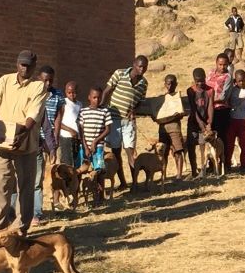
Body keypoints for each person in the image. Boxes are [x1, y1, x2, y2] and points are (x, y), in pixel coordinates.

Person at [0, 50, 48, 233]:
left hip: (26, 145)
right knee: (1, 186)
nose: (24, 68)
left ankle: (20, 229)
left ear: (34, 67)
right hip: (3, 146)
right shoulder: (4, 81)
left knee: (25, 188)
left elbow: (33, 114)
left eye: (28, 65)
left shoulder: (38, 86)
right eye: (22, 64)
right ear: (17, 64)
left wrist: (23, 132)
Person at [103, 56, 148, 190]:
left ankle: (134, 184)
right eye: (140, 66)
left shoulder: (144, 83)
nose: (142, 69)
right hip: (114, 118)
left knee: (130, 152)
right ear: (134, 64)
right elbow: (107, 91)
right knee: (116, 152)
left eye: (144, 67)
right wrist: (101, 108)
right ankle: (122, 182)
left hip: (129, 121)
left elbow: (140, 101)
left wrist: (135, 110)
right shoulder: (119, 73)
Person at [32, 66, 64, 225]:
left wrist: (55, 140)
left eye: (50, 80)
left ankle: (48, 206)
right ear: (39, 78)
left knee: (50, 174)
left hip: (50, 139)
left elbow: (58, 117)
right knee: (32, 178)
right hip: (34, 141)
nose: (48, 83)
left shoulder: (57, 95)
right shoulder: (33, 93)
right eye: (45, 80)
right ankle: (29, 213)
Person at [78, 87, 112, 204]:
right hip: (85, 147)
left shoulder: (105, 111)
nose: (96, 100)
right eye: (94, 97)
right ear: (89, 97)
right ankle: (85, 195)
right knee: (85, 170)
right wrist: (86, 146)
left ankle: (100, 196)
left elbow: (108, 129)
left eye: (98, 97)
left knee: (99, 171)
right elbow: (81, 131)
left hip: (98, 147)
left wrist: (95, 141)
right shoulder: (83, 112)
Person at [154, 75, 184, 180]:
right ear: (164, 84)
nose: (170, 85)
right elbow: (155, 113)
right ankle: (164, 175)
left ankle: (179, 175)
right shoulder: (161, 99)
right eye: (168, 83)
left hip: (174, 127)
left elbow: (181, 113)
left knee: (178, 151)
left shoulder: (178, 98)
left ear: (176, 84)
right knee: (163, 152)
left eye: (172, 83)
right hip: (163, 128)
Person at [186, 68, 214, 178]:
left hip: (206, 122)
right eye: (197, 81)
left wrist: (209, 122)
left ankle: (203, 170)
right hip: (194, 122)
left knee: (203, 146)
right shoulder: (190, 91)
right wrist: (200, 123)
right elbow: (193, 109)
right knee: (191, 146)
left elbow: (210, 107)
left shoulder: (210, 91)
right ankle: (193, 170)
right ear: (194, 80)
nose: (200, 83)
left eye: (202, 80)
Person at [206, 53, 233, 150]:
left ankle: (224, 162)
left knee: (221, 136)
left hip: (221, 110)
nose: (222, 67)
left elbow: (223, 97)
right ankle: (210, 163)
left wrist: (209, 101)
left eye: (225, 65)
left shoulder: (228, 77)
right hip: (208, 110)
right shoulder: (210, 73)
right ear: (216, 63)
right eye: (220, 64)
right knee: (208, 135)